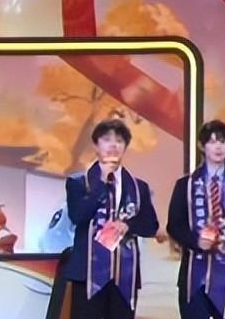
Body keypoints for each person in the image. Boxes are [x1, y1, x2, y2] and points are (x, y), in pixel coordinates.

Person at [63, 119, 159, 319]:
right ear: (96, 145)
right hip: (88, 274)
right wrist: (100, 182)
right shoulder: (78, 182)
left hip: (124, 274)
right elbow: (78, 216)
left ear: (125, 147)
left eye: (119, 141)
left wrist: (128, 225)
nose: (113, 145)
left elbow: (150, 226)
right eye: (106, 140)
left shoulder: (138, 187)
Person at [167, 121, 225, 319]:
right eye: (212, 142)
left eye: (223, 142)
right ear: (202, 146)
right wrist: (196, 241)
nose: (219, 147)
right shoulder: (186, 184)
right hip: (195, 276)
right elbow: (174, 226)